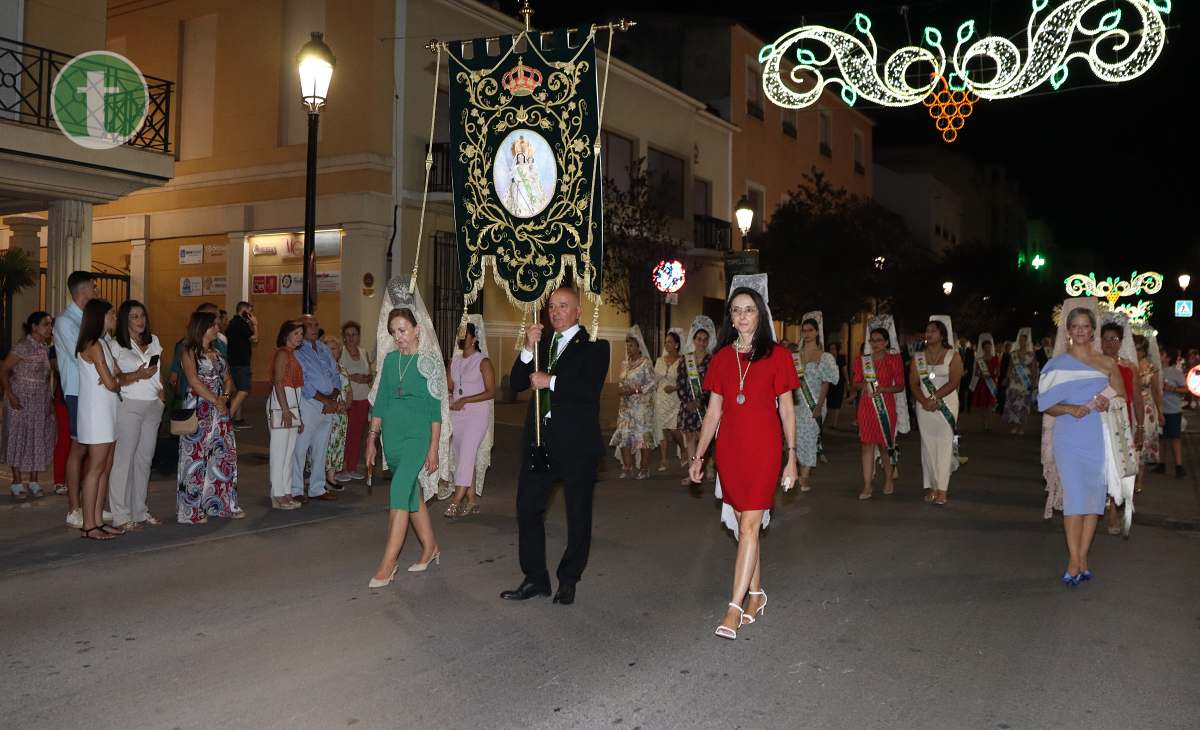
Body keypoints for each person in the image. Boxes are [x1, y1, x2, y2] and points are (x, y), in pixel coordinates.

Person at [688, 280, 798, 639]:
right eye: (736, 310)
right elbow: (713, 413)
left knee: (750, 526)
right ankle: (756, 595)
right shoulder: (721, 358)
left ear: (760, 314)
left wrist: (792, 457)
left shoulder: (778, 355)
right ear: (731, 318)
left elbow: (787, 410)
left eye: (749, 309)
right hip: (731, 453)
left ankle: (732, 609)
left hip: (765, 451)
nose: (743, 315)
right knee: (742, 526)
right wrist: (699, 455)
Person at [501, 286, 609, 606]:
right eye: (552, 306)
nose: (556, 311)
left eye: (564, 306)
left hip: (576, 444)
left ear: (577, 312)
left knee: (578, 515)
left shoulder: (594, 347)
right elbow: (518, 383)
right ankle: (535, 578)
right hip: (541, 440)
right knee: (527, 508)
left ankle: (568, 578)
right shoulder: (542, 344)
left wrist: (552, 381)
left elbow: (588, 389)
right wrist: (526, 349)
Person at [364, 289, 452, 588]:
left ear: (417, 329)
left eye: (402, 330)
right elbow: (382, 402)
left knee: (399, 492)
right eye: (393, 332)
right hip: (393, 436)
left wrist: (433, 448)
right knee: (411, 494)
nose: (398, 336)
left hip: (417, 436)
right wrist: (371, 439)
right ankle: (430, 548)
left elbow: (435, 411)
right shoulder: (389, 361)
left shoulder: (429, 363)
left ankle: (388, 563)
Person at [1038, 301, 1127, 585]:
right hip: (1069, 437)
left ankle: (1083, 557)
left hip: (1098, 437)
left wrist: (1106, 402)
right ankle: (1073, 561)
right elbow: (1046, 405)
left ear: (1093, 331)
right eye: (1075, 327)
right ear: (1067, 331)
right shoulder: (1056, 365)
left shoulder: (1106, 363)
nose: (1080, 331)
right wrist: (1069, 409)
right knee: (1076, 498)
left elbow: (1120, 396)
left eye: (1085, 327)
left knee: (1093, 501)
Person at [176, 310, 242, 524]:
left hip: (219, 409)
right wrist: (216, 400)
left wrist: (223, 397)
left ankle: (217, 504)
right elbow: (193, 381)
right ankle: (191, 510)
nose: (217, 328)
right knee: (195, 458)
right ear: (202, 327)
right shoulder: (188, 351)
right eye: (213, 325)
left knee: (221, 455)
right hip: (200, 406)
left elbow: (229, 378)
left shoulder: (218, 352)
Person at [109, 301, 165, 530]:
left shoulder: (155, 341)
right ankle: (120, 515)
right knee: (124, 460)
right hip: (130, 403)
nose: (140, 320)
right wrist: (138, 375)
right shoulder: (116, 345)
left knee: (144, 460)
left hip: (153, 404)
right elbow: (115, 379)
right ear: (125, 320)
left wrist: (162, 393)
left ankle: (139, 510)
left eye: (142, 315)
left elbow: (160, 369)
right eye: (134, 316)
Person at [54, 271, 99, 528]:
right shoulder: (65, 321)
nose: (98, 292)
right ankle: (74, 508)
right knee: (79, 447)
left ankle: (90, 505)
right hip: (77, 392)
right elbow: (81, 354)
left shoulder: (88, 319)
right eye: (95, 287)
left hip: (96, 391)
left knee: (96, 449)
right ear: (84, 290)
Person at [75, 299, 122, 540]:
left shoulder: (103, 342)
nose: (115, 317)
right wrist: (113, 381)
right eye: (111, 313)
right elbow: (112, 382)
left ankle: (97, 520)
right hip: (97, 414)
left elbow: (115, 378)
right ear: (99, 317)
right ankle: (88, 525)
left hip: (108, 410)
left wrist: (113, 380)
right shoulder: (93, 344)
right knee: (95, 469)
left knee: (105, 468)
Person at [1, 311, 56, 500]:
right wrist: (10, 394)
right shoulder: (22, 346)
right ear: (34, 327)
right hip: (20, 397)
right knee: (18, 436)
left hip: (39, 398)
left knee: (37, 437)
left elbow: (47, 376)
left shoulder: (44, 348)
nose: (49, 328)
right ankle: (17, 482)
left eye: (50, 324)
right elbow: (4, 369)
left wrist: (49, 400)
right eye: (45, 324)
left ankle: (33, 480)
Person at [445, 316, 495, 517]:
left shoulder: (483, 361)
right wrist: (450, 396)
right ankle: (472, 500)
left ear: (474, 338)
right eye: (459, 335)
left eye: (464, 335)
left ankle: (456, 501)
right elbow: (450, 385)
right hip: (457, 414)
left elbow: (491, 392)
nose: (461, 338)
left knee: (466, 453)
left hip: (477, 414)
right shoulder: (455, 361)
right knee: (463, 457)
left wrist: (465, 400)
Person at [291, 314, 344, 502]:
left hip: (327, 405)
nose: (313, 328)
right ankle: (296, 488)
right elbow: (304, 382)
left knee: (321, 448)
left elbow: (336, 373)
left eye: (316, 325)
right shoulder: (297, 351)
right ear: (302, 329)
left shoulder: (323, 348)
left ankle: (317, 488)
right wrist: (325, 401)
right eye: (309, 325)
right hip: (310, 403)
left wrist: (333, 397)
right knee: (300, 448)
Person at [911, 316, 963, 506]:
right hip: (924, 405)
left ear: (942, 335)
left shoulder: (953, 355)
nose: (928, 333)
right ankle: (932, 487)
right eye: (927, 330)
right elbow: (914, 383)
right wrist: (924, 401)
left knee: (944, 445)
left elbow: (954, 381)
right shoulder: (918, 356)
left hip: (946, 405)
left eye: (933, 330)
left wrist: (934, 398)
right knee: (928, 446)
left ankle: (942, 490)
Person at [852, 320, 906, 499]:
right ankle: (867, 485)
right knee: (866, 445)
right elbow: (855, 384)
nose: (875, 344)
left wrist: (883, 389)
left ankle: (889, 478)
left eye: (879, 340)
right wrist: (864, 386)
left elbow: (900, 386)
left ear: (886, 343)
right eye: (872, 340)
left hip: (885, 405)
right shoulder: (863, 361)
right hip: (866, 406)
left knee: (885, 445)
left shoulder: (894, 360)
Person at [1099, 315, 1143, 536]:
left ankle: (1114, 512)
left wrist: (1141, 427)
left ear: (1121, 340)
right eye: (1106, 339)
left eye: (1114, 339)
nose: (1110, 343)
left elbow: (1136, 396)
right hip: (1098, 419)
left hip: (1122, 419)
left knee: (1119, 465)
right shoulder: (1093, 363)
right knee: (1102, 465)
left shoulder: (1129, 367)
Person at [790, 312, 838, 491]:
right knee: (794, 439)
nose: (807, 334)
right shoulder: (795, 356)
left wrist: (818, 406)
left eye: (810, 330)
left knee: (809, 438)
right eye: (804, 331)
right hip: (796, 404)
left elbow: (826, 383)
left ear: (817, 332)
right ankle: (795, 472)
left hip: (814, 403)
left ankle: (804, 477)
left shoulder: (824, 357)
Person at [610, 326, 657, 479]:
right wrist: (621, 390)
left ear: (639, 346)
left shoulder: (645, 363)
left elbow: (652, 383)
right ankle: (627, 467)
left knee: (642, 438)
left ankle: (644, 468)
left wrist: (637, 391)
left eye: (632, 345)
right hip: (625, 407)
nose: (629, 348)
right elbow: (621, 383)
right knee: (624, 436)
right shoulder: (625, 364)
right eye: (627, 345)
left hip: (642, 407)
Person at [267, 320, 305, 510]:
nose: (300, 337)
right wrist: (284, 409)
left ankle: (286, 491)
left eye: (301, 334)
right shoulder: (282, 353)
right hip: (283, 403)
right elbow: (278, 382)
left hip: (293, 403)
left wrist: (298, 415)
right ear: (286, 334)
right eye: (296, 333)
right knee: (279, 452)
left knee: (289, 453)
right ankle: (277, 493)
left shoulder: (292, 354)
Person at [677, 316, 717, 488]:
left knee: (704, 438)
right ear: (693, 340)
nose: (701, 342)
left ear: (708, 341)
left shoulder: (712, 360)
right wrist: (687, 402)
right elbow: (680, 382)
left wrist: (700, 401)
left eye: (704, 339)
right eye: (698, 339)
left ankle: (707, 466)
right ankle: (692, 470)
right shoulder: (685, 360)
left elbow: (713, 384)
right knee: (690, 439)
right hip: (688, 406)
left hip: (705, 406)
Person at [338, 321, 374, 480]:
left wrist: (367, 377)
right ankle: (339, 469)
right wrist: (353, 377)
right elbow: (336, 372)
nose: (351, 338)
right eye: (348, 335)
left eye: (354, 334)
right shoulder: (341, 352)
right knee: (344, 435)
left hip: (363, 398)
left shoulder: (363, 352)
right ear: (344, 338)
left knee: (357, 435)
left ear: (359, 337)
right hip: (347, 399)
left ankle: (352, 468)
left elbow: (369, 373)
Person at [321, 335, 353, 491]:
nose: (331, 351)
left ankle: (331, 477)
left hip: (341, 416)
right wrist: (334, 405)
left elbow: (348, 390)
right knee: (324, 446)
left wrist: (346, 404)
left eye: (333, 348)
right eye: (327, 348)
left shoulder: (343, 370)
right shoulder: (322, 369)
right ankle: (319, 478)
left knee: (337, 446)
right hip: (327, 413)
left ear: (340, 351)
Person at [653, 329, 685, 471]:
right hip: (660, 399)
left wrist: (675, 388)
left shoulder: (683, 360)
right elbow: (654, 380)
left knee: (674, 429)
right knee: (662, 430)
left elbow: (686, 381)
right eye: (665, 342)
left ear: (677, 345)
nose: (667, 345)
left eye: (670, 342)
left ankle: (683, 449)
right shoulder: (660, 360)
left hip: (675, 399)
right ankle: (664, 460)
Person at [1134, 334, 1163, 493]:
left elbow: (1157, 391)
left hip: (1147, 409)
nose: (1137, 352)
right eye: (1134, 348)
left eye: (1139, 349)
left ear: (1144, 350)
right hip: (1131, 406)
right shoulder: (1128, 364)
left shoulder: (1151, 368)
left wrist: (1161, 412)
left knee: (1143, 443)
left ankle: (1140, 480)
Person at [225, 301, 258, 429]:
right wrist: (255, 324)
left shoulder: (233, 323)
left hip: (234, 361)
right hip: (241, 362)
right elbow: (255, 338)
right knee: (243, 391)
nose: (251, 314)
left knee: (239, 390)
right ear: (244, 311)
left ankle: (238, 419)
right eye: (250, 311)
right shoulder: (240, 324)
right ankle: (227, 420)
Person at [1156, 347, 1187, 478]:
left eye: (1162, 354)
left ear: (1168, 358)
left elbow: (1185, 389)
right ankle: (1161, 464)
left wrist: (1173, 388)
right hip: (1160, 409)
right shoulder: (1155, 370)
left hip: (1173, 410)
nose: (1159, 355)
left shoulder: (1175, 372)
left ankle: (1179, 466)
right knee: (1162, 438)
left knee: (1175, 438)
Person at [1002, 329, 1039, 434]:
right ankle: (1014, 425)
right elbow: (1010, 367)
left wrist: (1033, 382)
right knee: (1013, 402)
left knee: (1023, 404)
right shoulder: (1013, 353)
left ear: (1027, 342)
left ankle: (1021, 427)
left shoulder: (1031, 354)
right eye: (1021, 340)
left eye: (1024, 340)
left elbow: (1034, 370)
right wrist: (1007, 378)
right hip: (1014, 381)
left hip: (1025, 382)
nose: (1022, 342)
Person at [970, 334, 1000, 431]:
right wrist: (980, 373)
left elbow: (998, 371)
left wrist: (996, 374)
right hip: (982, 383)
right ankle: (984, 421)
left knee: (990, 405)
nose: (988, 349)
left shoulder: (995, 358)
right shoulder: (980, 360)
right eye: (986, 347)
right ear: (983, 348)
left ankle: (988, 423)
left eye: (989, 347)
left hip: (991, 383)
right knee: (982, 405)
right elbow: (976, 373)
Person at [827, 341, 848, 430]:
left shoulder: (841, 358)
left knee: (837, 402)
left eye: (834, 348)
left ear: (837, 349)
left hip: (839, 382)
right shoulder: (827, 358)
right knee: (830, 402)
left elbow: (844, 370)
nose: (832, 350)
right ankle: (832, 420)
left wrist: (847, 381)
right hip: (829, 382)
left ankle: (834, 423)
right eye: (831, 349)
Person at [957, 338, 975, 413]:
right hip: (959, 373)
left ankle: (968, 407)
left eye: (964, 341)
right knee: (961, 391)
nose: (962, 342)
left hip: (968, 373)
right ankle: (961, 407)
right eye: (961, 341)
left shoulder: (970, 351)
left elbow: (972, 362)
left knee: (968, 390)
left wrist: (966, 370)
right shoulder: (957, 350)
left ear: (966, 342)